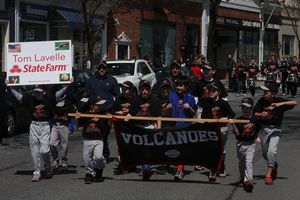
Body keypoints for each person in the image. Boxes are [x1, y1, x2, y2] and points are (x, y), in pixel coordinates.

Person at [253, 83, 297, 185]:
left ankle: (268, 175)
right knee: (265, 153)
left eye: (266, 92)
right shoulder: (261, 101)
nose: (264, 93)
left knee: (271, 151)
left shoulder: (279, 101)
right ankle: (274, 165)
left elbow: (294, 102)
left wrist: (280, 104)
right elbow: (254, 113)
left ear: (273, 94)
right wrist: (261, 114)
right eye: (263, 92)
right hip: (264, 129)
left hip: (275, 130)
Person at [10, 85, 55, 182]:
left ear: (43, 92)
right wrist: (11, 88)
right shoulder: (30, 100)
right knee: (35, 150)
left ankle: (48, 167)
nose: (37, 94)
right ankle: (37, 172)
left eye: (39, 92)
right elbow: (19, 97)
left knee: (44, 151)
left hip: (45, 126)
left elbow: (59, 95)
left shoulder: (49, 100)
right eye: (35, 92)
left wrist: (67, 86)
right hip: (34, 125)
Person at [85, 61, 120, 160]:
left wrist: (113, 110)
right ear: (97, 69)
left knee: (104, 134)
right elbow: (86, 95)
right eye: (100, 68)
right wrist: (91, 103)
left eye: (103, 68)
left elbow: (117, 96)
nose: (101, 69)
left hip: (107, 112)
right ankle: (97, 154)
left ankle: (104, 154)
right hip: (95, 111)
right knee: (96, 133)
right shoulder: (91, 80)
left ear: (106, 69)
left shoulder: (112, 80)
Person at [127, 80, 161, 180]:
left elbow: (158, 117)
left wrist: (158, 129)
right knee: (140, 148)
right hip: (138, 128)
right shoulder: (135, 100)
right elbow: (130, 114)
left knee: (148, 148)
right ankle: (143, 165)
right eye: (142, 89)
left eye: (146, 89)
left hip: (150, 127)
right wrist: (121, 122)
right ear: (140, 90)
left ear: (149, 90)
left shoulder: (155, 101)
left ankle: (146, 167)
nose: (144, 91)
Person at [204, 83, 235, 181]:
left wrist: (226, 118)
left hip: (222, 128)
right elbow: (203, 117)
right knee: (212, 149)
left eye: (214, 91)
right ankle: (212, 169)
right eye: (210, 91)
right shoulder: (207, 103)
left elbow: (232, 114)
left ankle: (221, 167)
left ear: (219, 92)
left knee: (222, 149)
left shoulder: (223, 103)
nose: (211, 92)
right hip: (211, 129)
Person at [168, 76, 196, 180]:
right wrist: (167, 108)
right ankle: (172, 164)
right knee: (173, 147)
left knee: (181, 148)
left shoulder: (190, 98)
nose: (179, 88)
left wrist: (189, 108)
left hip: (184, 126)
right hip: (172, 126)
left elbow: (193, 114)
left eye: (181, 86)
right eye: (178, 85)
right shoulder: (172, 96)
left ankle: (180, 169)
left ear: (186, 86)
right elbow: (165, 111)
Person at [231, 97, 260, 192]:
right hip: (240, 144)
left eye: (247, 108)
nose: (245, 110)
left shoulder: (255, 119)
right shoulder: (239, 120)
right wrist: (233, 124)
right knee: (242, 163)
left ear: (251, 108)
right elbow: (238, 134)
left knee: (248, 163)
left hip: (251, 144)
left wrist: (257, 137)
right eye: (243, 108)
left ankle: (248, 181)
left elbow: (258, 128)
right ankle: (242, 178)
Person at [76, 97, 107, 184]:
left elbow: (107, 127)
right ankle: (89, 173)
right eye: (98, 105)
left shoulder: (102, 114)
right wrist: (76, 118)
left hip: (98, 140)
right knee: (87, 159)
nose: (100, 106)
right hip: (87, 140)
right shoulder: (85, 114)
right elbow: (78, 126)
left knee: (98, 157)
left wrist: (100, 121)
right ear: (92, 106)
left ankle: (99, 169)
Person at [50, 85, 74, 170]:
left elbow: (72, 115)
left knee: (64, 145)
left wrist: (71, 126)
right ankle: (56, 159)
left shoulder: (68, 103)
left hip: (64, 125)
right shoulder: (52, 102)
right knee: (52, 143)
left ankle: (64, 161)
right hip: (55, 125)